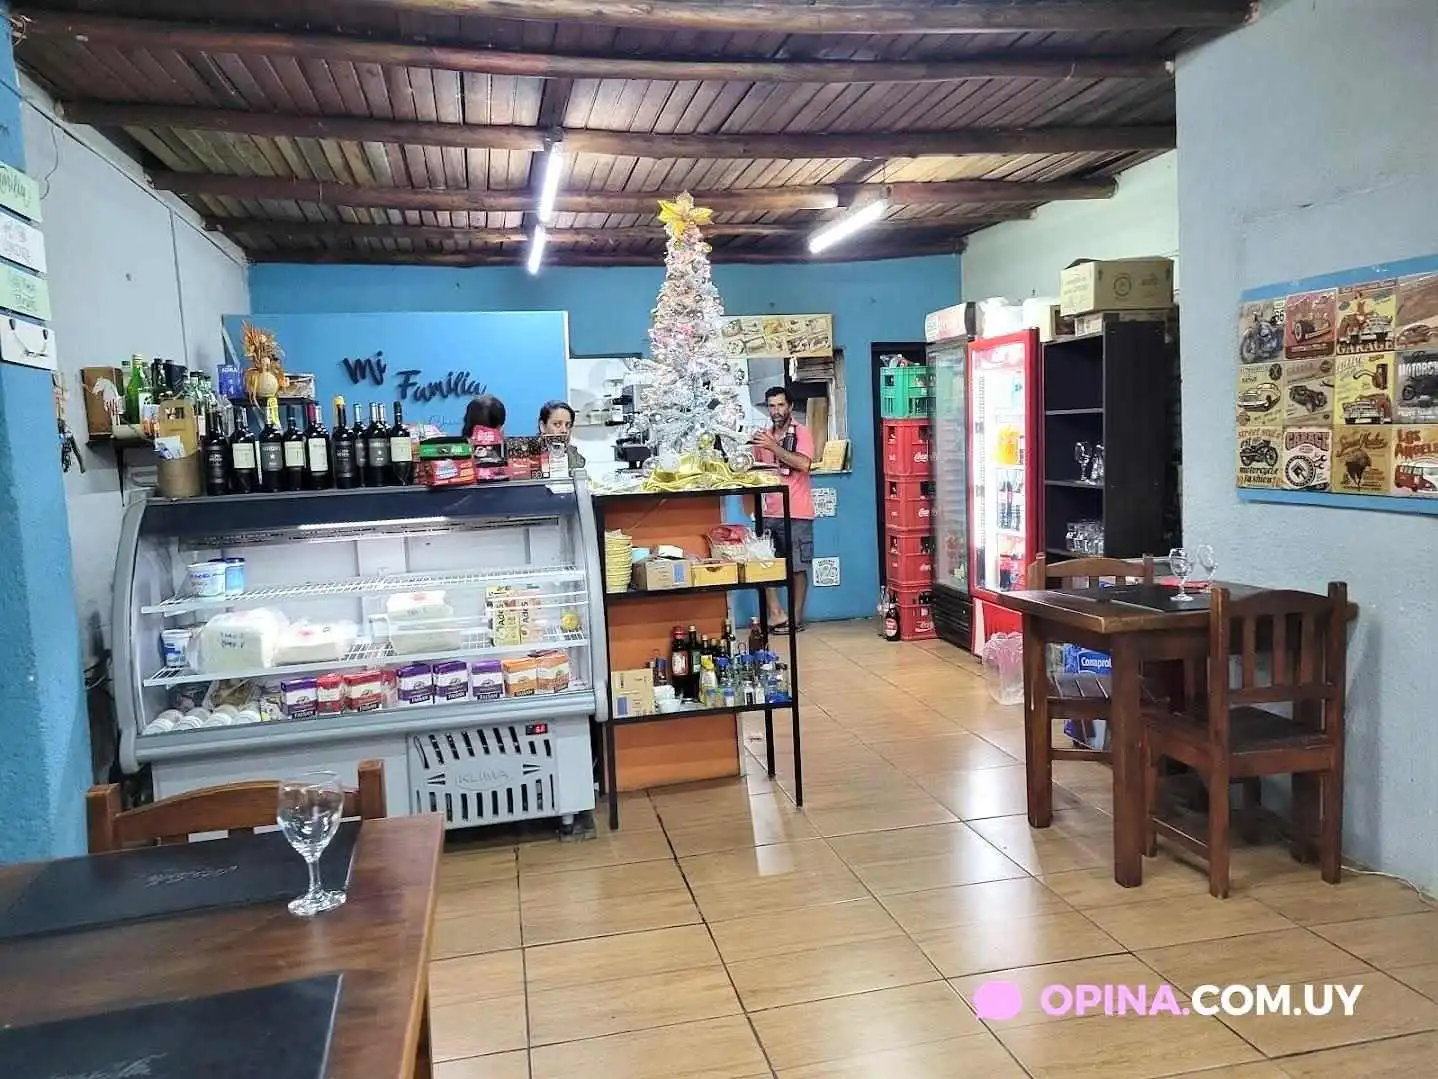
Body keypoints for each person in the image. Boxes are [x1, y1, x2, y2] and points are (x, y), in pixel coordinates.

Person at [749, 385, 815, 633]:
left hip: (797, 511)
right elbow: (754, 468)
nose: (776, 410)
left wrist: (773, 447)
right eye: (771, 406)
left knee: (797, 568)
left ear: (790, 407)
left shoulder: (802, 432)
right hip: (768, 512)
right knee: (764, 564)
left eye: (780, 405)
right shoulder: (763, 436)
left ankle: (795, 621)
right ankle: (777, 614)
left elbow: (804, 464)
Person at [538, 399, 587, 470]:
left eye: (567, 425)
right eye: (557, 424)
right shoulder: (529, 457)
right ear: (542, 426)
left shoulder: (576, 458)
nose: (564, 430)